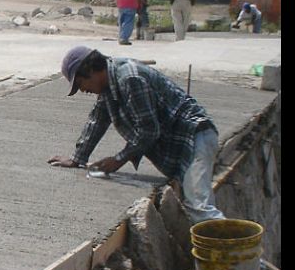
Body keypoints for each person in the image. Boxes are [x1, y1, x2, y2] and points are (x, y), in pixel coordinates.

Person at [47, 45, 225, 224]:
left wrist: (118, 159)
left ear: (89, 70)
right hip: (181, 143)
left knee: (199, 208)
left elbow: (149, 130)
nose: (83, 90)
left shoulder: (129, 78)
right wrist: (77, 158)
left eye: (79, 84)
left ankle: (240, 249)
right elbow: (97, 120)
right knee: (194, 204)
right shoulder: (109, 85)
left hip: (195, 136)